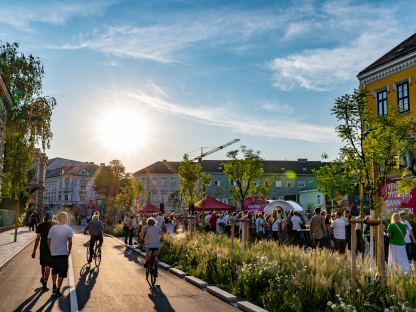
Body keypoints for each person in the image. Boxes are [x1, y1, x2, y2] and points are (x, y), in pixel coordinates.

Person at [47, 211, 73, 296]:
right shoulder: (68, 229)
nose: (67, 219)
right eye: (66, 217)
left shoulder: (53, 228)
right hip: (63, 254)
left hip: (54, 253)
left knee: (54, 270)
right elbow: (70, 242)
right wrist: (69, 252)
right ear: (64, 218)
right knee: (62, 272)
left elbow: (48, 240)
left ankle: (54, 285)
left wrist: (51, 249)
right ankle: (58, 289)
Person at [32, 211, 55, 290]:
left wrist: (34, 251)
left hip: (43, 248)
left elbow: (38, 239)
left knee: (43, 265)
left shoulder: (40, 225)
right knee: (48, 266)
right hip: (51, 248)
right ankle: (45, 283)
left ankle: (43, 278)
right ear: (52, 217)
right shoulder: (54, 225)